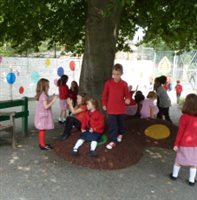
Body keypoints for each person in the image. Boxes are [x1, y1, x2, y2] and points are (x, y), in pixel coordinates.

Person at [170, 93, 197, 186]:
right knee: (194, 163)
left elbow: (180, 132)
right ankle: (191, 180)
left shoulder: (184, 117)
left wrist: (176, 144)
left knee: (178, 161)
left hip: (184, 143)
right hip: (195, 144)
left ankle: (174, 175)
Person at [102, 63, 130, 150]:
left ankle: (121, 134)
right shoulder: (108, 83)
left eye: (117, 74)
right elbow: (104, 95)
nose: (115, 76)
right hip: (111, 109)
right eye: (113, 74)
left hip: (121, 109)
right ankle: (113, 141)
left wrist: (128, 99)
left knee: (121, 124)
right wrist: (104, 104)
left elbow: (127, 95)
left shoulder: (124, 84)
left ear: (121, 74)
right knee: (112, 126)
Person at [34, 78, 57, 150]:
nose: (49, 87)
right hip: (43, 116)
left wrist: (51, 98)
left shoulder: (43, 94)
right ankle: (42, 145)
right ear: (44, 86)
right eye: (48, 85)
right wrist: (53, 101)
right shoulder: (43, 95)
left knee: (42, 129)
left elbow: (46, 103)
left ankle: (42, 143)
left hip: (42, 115)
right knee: (42, 129)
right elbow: (46, 106)